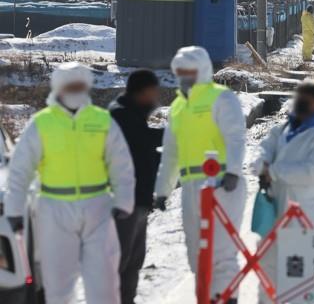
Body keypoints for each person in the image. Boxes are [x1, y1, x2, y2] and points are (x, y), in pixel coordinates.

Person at [5, 62, 135, 304]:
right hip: (54, 210)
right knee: (58, 285)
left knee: (104, 283)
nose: (74, 90)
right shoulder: (41, 123)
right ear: (59, 88)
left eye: (78, 85)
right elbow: (20, 171)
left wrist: (124, 200)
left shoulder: (102, 120)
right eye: (70, 86)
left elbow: (121, 164)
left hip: (98, 207)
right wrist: (14, 210)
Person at [155, 46, 246, 303]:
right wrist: (162, 190)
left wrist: (233, 171)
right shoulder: (177, 107)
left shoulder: (221, 98)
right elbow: (171, 153)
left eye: (190, 71)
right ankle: (205, 297)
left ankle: (226, 298)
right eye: (180, 71)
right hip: (190, 185)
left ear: (202, 70)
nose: (185, 76)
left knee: (221, 252)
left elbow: (236, 137)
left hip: (221, 183)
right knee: (196, 253)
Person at [252, 83, 314, 304]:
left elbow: (313, 172)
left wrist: (275, 171)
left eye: (306, 100)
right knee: (267, 266)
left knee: (298, 275)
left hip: (304, 213)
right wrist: (262, 164)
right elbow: (264, 148)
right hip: (274, 209)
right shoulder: (284, 128)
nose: (300, 104)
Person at [109, 69, 164, 304]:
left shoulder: (132, 113)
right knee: (120, 259)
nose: (155, 99)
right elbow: (144, 140)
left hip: (140, 198)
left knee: (134, 260)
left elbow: (145, 152)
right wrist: (175, 133)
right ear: (140, 92)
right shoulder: (120, 115)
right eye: (152, 93)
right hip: (125, 201)